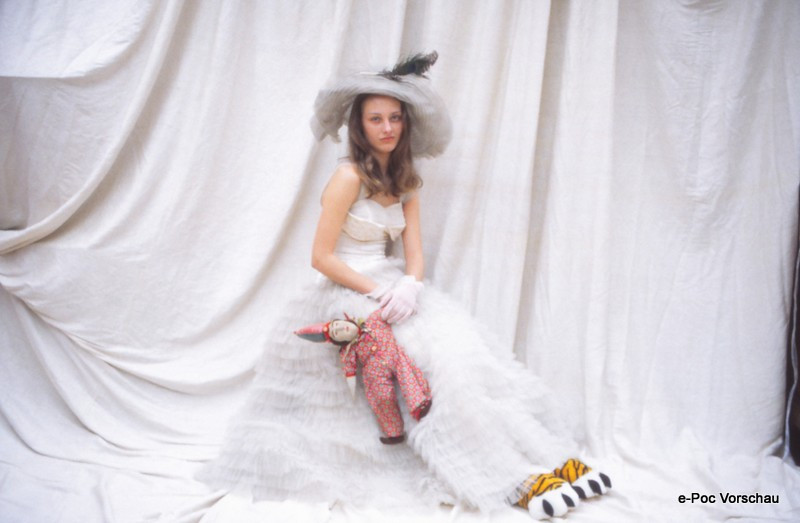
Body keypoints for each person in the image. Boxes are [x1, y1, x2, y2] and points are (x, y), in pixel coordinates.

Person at [201, 52, 610, 520]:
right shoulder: (347, 177)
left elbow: (413, 253)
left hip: (393, 286)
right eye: (376, 119)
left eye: (395, 118)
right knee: (422, 371)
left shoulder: (406, 180)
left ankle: (537, 459)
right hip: (348, 291)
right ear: (360, 126)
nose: (387, 128)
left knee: (464, 358)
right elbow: (321, 257)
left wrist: (410, 285)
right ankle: (500, 479)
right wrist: (377, 293)